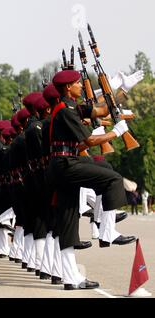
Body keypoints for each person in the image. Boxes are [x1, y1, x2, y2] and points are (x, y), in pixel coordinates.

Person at [48, 69, 136, 290]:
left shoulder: (72, 107)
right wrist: (115, 133)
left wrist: (121, 90)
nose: (80, 85)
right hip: (66, 164)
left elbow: (103, 109)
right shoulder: (66, 111)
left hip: (65, 164)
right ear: (68, 88)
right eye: (77, 83)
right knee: (112, 178)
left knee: (68, 223)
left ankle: (71, 278)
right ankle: (106, 231)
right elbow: (88, 139)